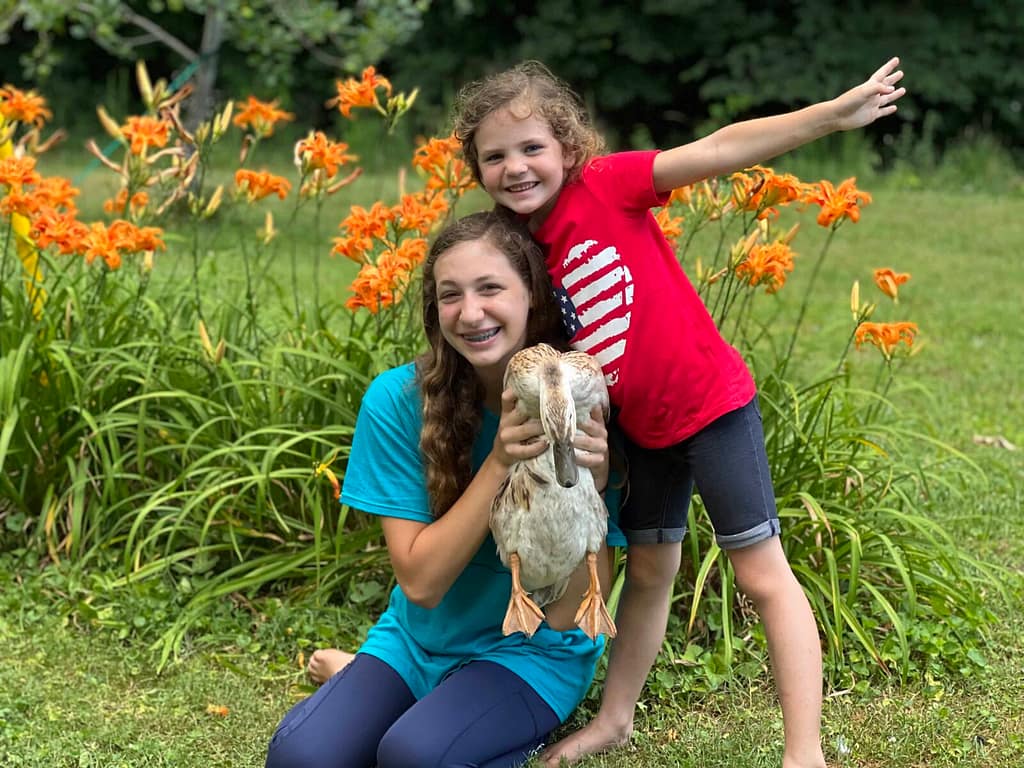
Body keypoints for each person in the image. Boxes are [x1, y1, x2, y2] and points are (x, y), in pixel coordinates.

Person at [451, 58, 906, 768]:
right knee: (653, 570)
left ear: (568, 150)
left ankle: (805, 752)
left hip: (712, 408)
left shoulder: (604, 186)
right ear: (476, 169)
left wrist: (830, 115)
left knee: (761, 574)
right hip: (640, 431)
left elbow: (718, 150)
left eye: (531, 147)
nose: (515, 167)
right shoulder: (521, 251)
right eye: (494, 155)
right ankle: (616, 720)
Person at [264, 210, 625, 768]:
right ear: (435, 310)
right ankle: (386, 687)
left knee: (414, 757)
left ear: (531, 293)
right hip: (418, 641)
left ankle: (409, 706)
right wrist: (502, 458)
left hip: (529, 654)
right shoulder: (396, 401)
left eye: (490, 288)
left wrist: (588, 489)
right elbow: (423, 585)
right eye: (450, 294)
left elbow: (568, 617)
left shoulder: (582, 402)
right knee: (301, 758)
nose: (471, 312)